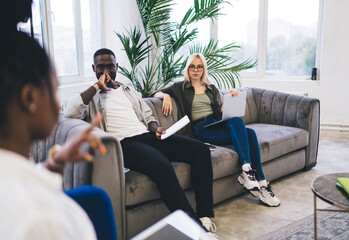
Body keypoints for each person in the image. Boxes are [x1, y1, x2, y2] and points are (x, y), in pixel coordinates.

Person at [62, 48, 217, 233]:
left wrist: (155, 128)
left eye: (110, 66)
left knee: (200, 150)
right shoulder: (90, 96)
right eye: (101, 67)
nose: (106, 71)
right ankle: (196, 230)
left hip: (148, 136)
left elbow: (147, 113)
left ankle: (205, 215)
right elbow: (69, 111)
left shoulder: (128, 90)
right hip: (124, 144)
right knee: (163, 167)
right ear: (93, 68)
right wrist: (96, 86)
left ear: (116, 66)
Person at [0, 30, 117, 239]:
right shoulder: (42, 220)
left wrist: (53, 166)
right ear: (29, 98)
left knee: (95, 198)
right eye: (54, 91)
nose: (57, 106)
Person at [152, 53, 281, 207]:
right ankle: (252, 176)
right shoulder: (180, 87)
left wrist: (232, 99)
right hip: (201, 129)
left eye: (199, 66)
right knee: (248, 133)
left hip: (216, 123)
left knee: (247, 130)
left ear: (203, 69)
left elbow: (220, 113)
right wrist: (165, 96)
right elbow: (153, 92)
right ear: (187, 68)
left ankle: (258, 180)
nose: (195, 70)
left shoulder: (211, 88)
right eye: (192, 66)